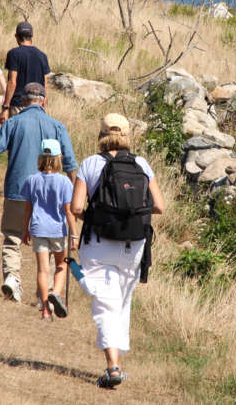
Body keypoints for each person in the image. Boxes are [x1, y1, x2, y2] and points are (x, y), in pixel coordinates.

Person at [69, 113, 165, 389]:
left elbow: (76, 208)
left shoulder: (90, 164)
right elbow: (159, 206)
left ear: (101, 135)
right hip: (134, 246)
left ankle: (112, 367)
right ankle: (118, 365)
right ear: (126, 136)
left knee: (105, 304)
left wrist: (99, 219)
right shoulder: (141, 164)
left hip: (99, 244)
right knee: (121, 303)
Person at [0, 82, 77, 303]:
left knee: (13, 237)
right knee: (52, 243)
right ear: (44, 101)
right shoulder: (57, 126)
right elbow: (70, 164)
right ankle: (50, 290)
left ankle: (12, 279)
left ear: (23, 102)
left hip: (18, 190)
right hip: (51, 196)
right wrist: (75, 197)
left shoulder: (14, 122)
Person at [22, 139, 78, 321]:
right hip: (57, 230)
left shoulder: (32, 180)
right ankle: (56, 292)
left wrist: (25, 229)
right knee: (62, 264)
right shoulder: (64, 182)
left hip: (38, 229)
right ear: (58, 158)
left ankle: (45, 308)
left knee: (42, 270)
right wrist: (75, 234)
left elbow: (28, 209)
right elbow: (69, 211)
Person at [0, 21, 50, 124]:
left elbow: (12, 82)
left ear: (16, 36)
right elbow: (45, 83)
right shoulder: (42, 55)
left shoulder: (14, 54)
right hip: (37, 104)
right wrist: (43, 100)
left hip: (19, 104)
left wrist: (5, 107)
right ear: (32, 36)